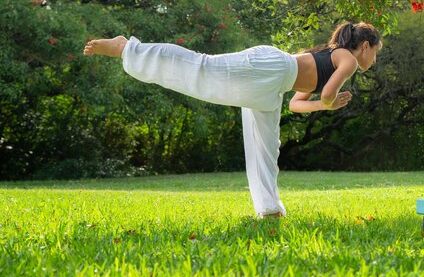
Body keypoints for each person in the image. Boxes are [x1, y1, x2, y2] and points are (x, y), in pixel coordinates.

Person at [83, 22, 383, 218]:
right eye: (376, 53)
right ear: (366, 46)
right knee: (204, 68)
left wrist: (322, 106)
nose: (374, 60)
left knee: (266, 147)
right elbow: (329, 93)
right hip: (272, 69)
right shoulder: (348, 58)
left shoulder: (333, 57)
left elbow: (296, 104)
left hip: (275, 86)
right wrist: (329, 104)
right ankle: (128, 48)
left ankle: (269, 209)